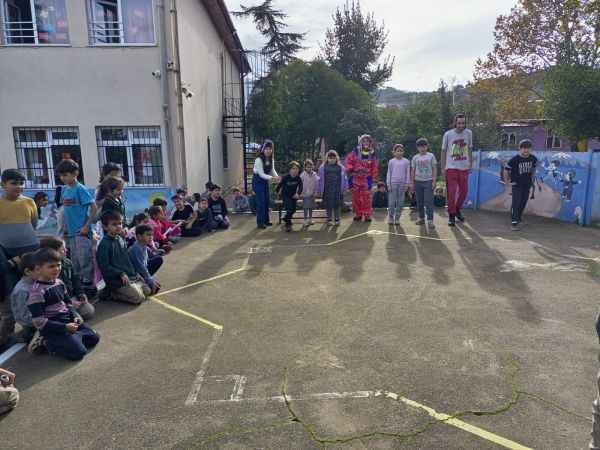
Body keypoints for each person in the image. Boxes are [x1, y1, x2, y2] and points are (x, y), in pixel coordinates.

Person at [27, 248, 100, 361]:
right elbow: (39, 321)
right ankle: (47, 343)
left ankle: (72, 338)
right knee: (79, 352)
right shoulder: (36, 292)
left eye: (58, 265)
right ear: (38, 269)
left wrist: (75, 315)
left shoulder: (59, 283)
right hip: (53, 326)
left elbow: (68, 303)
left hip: (67, 320)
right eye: (51, 266)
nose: (56, 269)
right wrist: (64, 327)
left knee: (95, 338)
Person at [0, 169, 39, 350]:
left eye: (21, 183)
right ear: (3, 185)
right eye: (13, 183)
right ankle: (4, 337)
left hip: (29, 251)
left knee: (31, 290)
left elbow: (33, 224)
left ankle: (28, 328)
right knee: (10, 293)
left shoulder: (29, 202)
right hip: (6, 254)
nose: (18, 187)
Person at [56, 159, 97, 296]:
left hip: (81, 232)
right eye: (61, 175)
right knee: (75, 261)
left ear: (76, 173)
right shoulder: (65, 189)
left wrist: (86, 226)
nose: (63, 178)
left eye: (66, 175)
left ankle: (90, 286)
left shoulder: (80, 189)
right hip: (71, 232)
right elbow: (66, 211)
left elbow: (93, 207)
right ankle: (79, 286)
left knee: (84, 259)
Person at [96, 211, 150, 304]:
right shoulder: (104, 244)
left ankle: (133, 287)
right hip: (116, 280)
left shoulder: (120, 239)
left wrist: (135, 273)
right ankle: (111, 293)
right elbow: (104, 267)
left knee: (147, 291)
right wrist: (120, 273)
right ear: (105, 227)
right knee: (139, 298)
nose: (119, 226)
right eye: (114, 224)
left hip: (129, 277)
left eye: (120, 223)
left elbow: (126, 260)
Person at [39, 237, 95, 320]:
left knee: (89, 312)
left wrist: (80, 294)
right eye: (62, 249)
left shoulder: (67, 262)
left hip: (71, 297)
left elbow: (75, 280)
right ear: (53, 252)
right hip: (57, 303)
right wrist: (68, 302)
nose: (66, 250)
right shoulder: (46, 271)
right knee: (77, 320)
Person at [441, 113, 473, 226]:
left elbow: (469, 149)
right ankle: (451, 215)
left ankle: (457, 209)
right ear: (455, 123)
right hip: (451, 167)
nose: (461, 125)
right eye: (459, 123)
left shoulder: (469, 133)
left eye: (463, 123)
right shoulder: (448, 134)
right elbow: (443, 151)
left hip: (464, 167)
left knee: (464, 192)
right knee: (452, 192)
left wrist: (471, 163)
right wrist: (443, 166)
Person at [505, 139, 537, 231]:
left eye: (528, 148)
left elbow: (533, 170)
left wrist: (532, 181)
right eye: (523, 148)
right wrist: (507, 182)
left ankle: (518, 218)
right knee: (516, 203)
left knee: (523, 202)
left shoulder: (533, 158)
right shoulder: (514, 159)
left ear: (530, 149)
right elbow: (506, 170)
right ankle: (514, 223)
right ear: (520, 148)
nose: (526, 150)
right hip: (516, 184)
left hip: (527, 184)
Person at [345, 134, 378, 222]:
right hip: (355, 178)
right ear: (361, 142)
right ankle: (358, 214)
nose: (366, 142)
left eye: (367, 141)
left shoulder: (372, 153)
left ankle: (367, 215)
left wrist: (373, 175)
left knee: (366, 197)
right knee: (356, 197)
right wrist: (350, 168)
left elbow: (374, 166)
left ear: (370, 143)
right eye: (364, 141)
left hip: (366, 179)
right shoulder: (355, 152)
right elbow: (348, 161)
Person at [10, 253, 37, 349]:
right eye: (38, 269)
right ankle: (30, 338)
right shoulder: (22, 290)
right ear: (28, 271)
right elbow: (24, 316)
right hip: (31, 324)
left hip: (40, 318)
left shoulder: (36, 282)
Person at [252, 139, 281, 229]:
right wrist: (272, 178)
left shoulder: (271, 159)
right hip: (257, 181)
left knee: (266, 201)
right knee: (261, 202)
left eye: (270, 149)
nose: (268, 150)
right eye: (266, 148)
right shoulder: (258, 160)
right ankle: (260, 223)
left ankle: (266, 221)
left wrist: (277, 177)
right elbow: (261, 174)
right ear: (263, 149)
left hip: (264, 181)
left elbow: (272, 170)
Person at [411, 138, 437, 229]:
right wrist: (412, 183)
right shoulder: (415, 157)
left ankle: (430, 220)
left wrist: (434, 181)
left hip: (428, 181)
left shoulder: (431, 156)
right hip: (418, 181)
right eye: (420, 146)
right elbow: (413, 171)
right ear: (417, 147)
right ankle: (421, 218)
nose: (422, 148)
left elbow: (434, 168)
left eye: (424, 146)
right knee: (420, 201)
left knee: (429, 201)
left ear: (427, 146)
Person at [128, 224, 162, 294]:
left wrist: (150, 279)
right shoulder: (136, 248)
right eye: (148, 235)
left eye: (152, 235)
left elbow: (146, 263)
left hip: (142, 271)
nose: (151, 237)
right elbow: (141, 268)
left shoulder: (144, 246)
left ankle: (147, 280)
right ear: (139, 237)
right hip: (135, 274)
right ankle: (145, 282)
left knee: (158, 259)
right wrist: (150, 280)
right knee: (148, 291)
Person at [318, 150, 347, 226]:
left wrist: (345, 188)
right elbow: (320, 180)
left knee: (337, 205)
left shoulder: (341, 167)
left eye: (333, 158)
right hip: (327, 190)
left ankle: (337, 219)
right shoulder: (322, 167)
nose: (332, 159)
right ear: (327, 158)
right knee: (328, 205)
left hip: (337, 190)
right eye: (330, 158)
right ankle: (329, 219)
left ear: (336, 158)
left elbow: (345, 178)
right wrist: (319, 190)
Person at [386, 144, 411, 225]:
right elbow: (389, 173)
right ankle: (390, 217)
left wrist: (407, 184)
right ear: (394, 152)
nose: (399, 152)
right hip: (393, 184)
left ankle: (397, 218)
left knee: (400, 203)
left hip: (402, 185)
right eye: (397, 151)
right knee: (392, 203)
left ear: (403, 152)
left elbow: (408, 174)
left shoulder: (406, 161)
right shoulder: (391, 161)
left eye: (401, 151)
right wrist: (388, 184)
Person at [276, 161, 303, 232]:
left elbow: (301, 187)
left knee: (294, 210)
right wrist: (278, 191)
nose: (295, 170)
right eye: (293, 169)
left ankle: (286, 218)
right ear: (289, 170)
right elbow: (279, 185)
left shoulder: (298, 178)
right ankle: (288, 224)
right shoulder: (285, 177)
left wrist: (298, 194)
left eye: (297, 169)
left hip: (293, 196)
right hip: (285, 196)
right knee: (289, 209)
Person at [300, 159, 319, 227]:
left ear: (312, 167)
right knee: (305, 208)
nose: (309, 168)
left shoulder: (314, 174)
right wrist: (301, 193)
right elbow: (300, 185)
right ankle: (305, 220)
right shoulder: (302, 175)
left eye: (310, 167)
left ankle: (310, 219)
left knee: (311, 207)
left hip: (312, 194)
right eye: (307, 167)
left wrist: (316, 192)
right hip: (305, 195)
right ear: (305, 167)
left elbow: (317, 184)